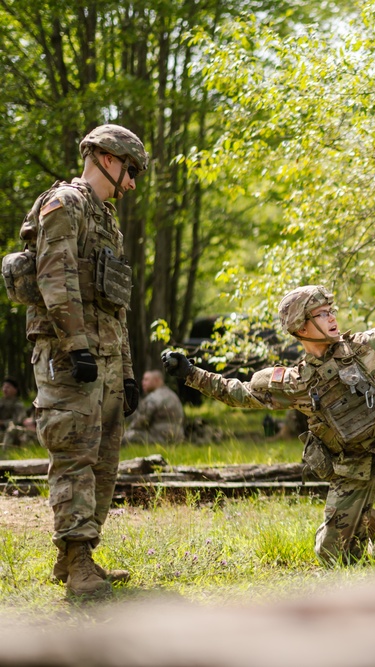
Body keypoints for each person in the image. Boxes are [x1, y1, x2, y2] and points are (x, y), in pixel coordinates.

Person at [162, 285, 375, 564]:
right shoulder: (295, 382)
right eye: (321, 314)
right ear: (300, 327)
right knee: (331, 557)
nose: (331, 319)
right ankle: (365, 524)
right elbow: (237, 393)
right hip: (350, 470)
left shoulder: (368, 346)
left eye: (331, 311)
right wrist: (191, 374)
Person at [19, 124, 147, 598]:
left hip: (107, 356)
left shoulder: (105, 218)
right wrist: (75, 345)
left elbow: (115, 300)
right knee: (74, 453)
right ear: (107, 159)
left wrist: (129, 372)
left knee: (104, 461)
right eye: (131, 170)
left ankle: (78, 554)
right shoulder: (65, 205)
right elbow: (56, 277)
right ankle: (76, 563)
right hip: (69, 354)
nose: (132, 182)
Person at [123, 370, 184, 444]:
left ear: (156, 380)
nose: (143, 382)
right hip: (178, 438)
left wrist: (128, 430)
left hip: (159, 437)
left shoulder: (153, 397)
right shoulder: (172, 395)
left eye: (146, 380)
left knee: (127, 435)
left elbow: (141, 421)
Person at [0, 377, 38, 449]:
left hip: (8, 431)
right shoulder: (1, 401)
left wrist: (3, 422)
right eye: (4, 387)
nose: (5, 389)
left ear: (15, 390)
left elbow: (18, 421)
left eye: (8, 387)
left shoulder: (18, 405)